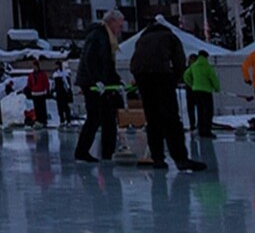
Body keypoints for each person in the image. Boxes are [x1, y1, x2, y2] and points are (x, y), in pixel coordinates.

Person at [128, 20, 205, 172]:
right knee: (171, 119)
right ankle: (180, 158)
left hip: (142, 77)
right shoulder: (170, 37)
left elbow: (135, 62)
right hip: (161, 75)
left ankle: (157, 158)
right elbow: (179, 60)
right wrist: (174, 80)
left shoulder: (141, 40)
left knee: (152, 118)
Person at [74, 10, 126, 163]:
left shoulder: (107, 39)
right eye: (119, 25)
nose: (120, 29)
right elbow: (90, 59)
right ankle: (82, 151)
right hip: (91, 84)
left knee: (108, 117)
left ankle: (108, 153)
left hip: (101, 83)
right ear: (111, 22)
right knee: (94, 116)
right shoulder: (98, 36)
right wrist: (96, 80)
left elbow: (108, 65)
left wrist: (117, 81)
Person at [183, 51, 219, 137]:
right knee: (208, 111)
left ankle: (201, 130)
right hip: (206, 91)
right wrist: (217, 88)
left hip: (196, 91)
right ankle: (207, 131)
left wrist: (192, 84)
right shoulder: (207, 67)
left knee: (200, 111)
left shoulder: (194, 66)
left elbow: (186, 76)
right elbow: (214, 78)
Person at [24, 60, 51, 128]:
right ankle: (38, 120)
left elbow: (46, 82)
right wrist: (27, 89)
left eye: (35, 66)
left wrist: (47, 90)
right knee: (37, 108)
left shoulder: (42, 74)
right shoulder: (31, 75)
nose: (34, 68)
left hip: (41, 93)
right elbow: (29, 84)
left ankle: (43, 120)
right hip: (34, 93)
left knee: (42, 108)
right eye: (33, 66)